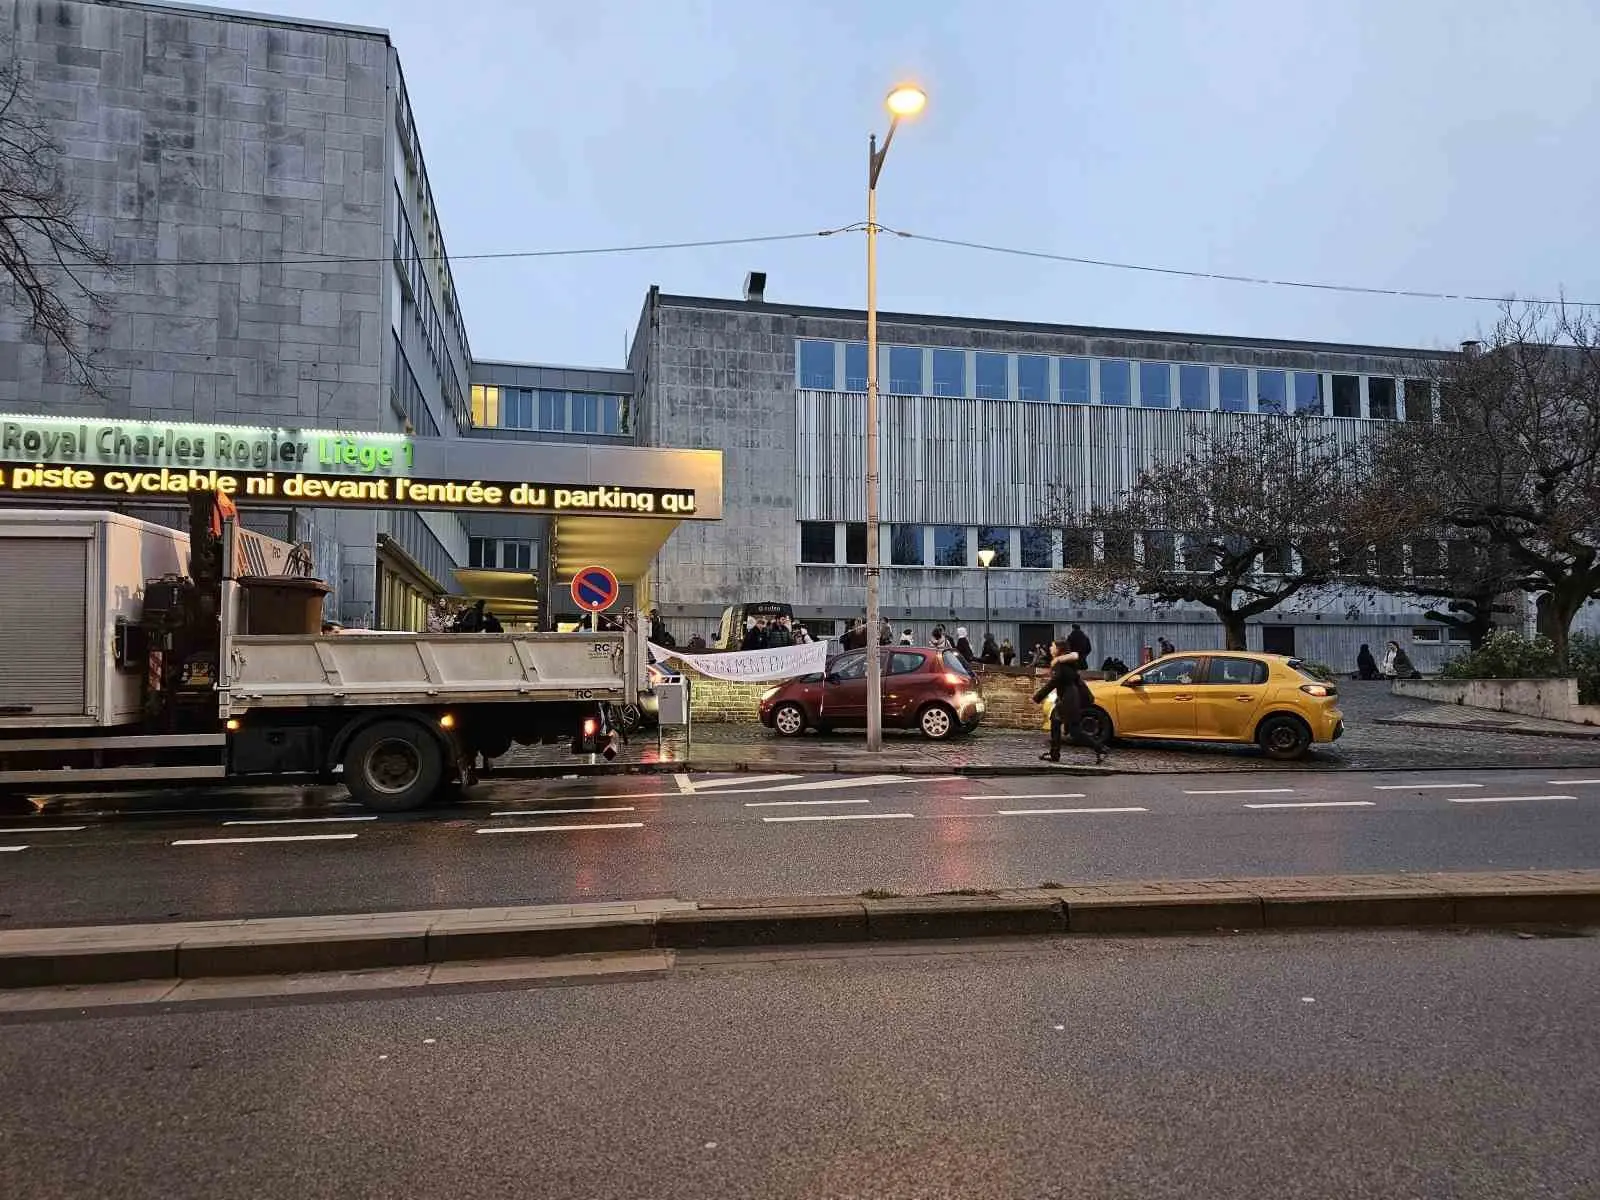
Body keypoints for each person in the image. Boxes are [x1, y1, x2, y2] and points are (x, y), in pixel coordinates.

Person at [1032, 641, 1106, 764]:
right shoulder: (1067, 662)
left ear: (1059, 649)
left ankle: (1099, 748)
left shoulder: (1060, 664)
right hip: (1070, 697)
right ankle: (1054, 753)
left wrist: (1037, 697)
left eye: (1053, 646)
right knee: (1057, 723)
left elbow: (1054, 682)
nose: (1050, 648)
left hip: (1068, 699)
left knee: (1074, 730)